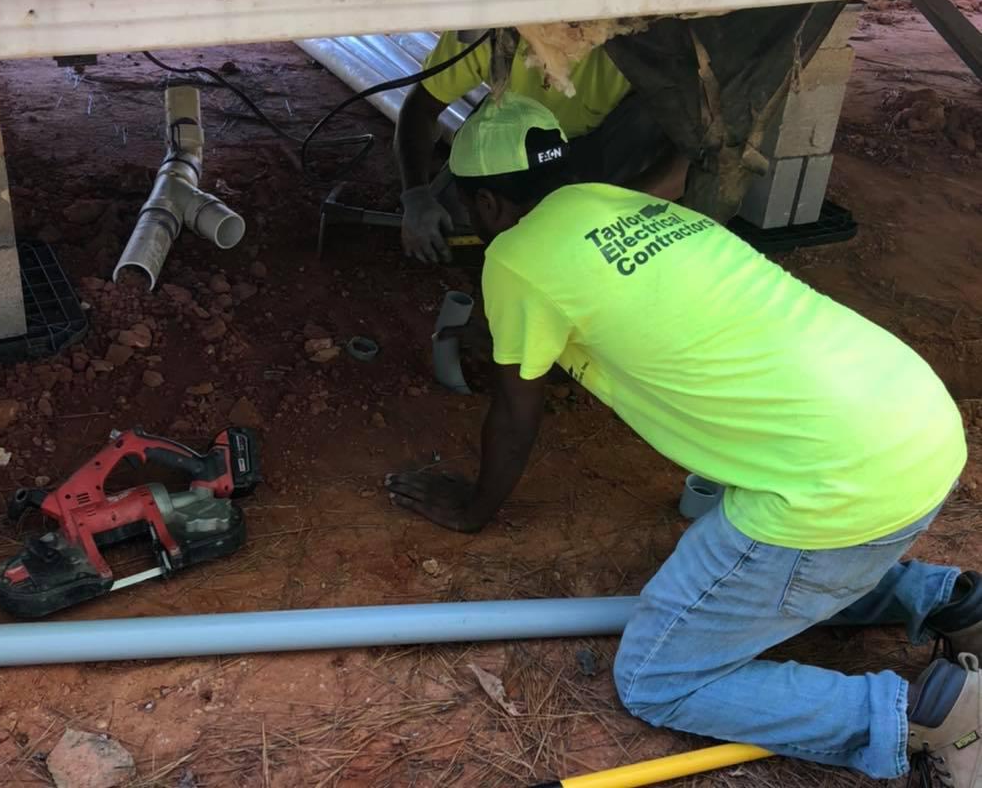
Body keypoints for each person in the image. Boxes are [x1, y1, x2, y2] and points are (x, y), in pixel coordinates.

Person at [385, 92, 982, 786]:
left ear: (486, 203)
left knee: (657, 677)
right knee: (793, 570)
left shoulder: (516, 258)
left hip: (836, 486)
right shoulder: (627, 203)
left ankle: (922, 717)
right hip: (916, 425)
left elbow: (517, 412)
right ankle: (953, 602)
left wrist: (472, 509)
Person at [396, 30, 680, 263]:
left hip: (599, 142)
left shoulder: (637, 38)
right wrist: (416, 194)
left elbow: (691, 158)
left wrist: (611, 216)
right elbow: (421, 106)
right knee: (449, 221)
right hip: (515, 134)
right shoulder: (491, 26)